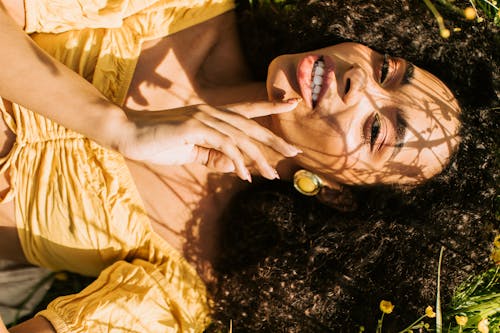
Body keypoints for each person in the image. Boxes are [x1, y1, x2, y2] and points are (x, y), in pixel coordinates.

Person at [0, 0, 496, 332]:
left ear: (336, 192)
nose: (360, 81)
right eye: (388, 69)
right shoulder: (188, 7)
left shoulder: (185, 288)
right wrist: (114, 126)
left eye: (375, 132)